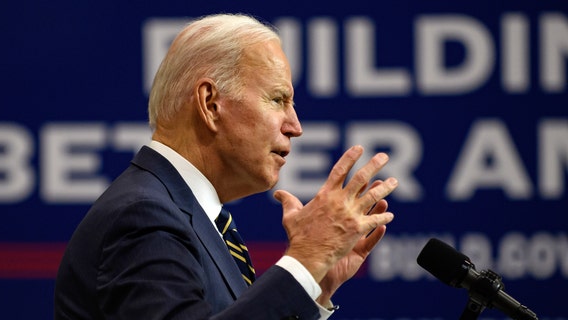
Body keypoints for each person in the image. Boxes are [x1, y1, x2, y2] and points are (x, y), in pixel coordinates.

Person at [54, 13, 398, 320]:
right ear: (210, 103)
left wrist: (312, 289)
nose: (295, 126)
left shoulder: (191, 217)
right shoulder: (143, 217)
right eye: (278, 100)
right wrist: (304, 260)